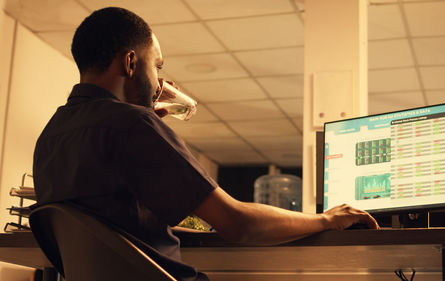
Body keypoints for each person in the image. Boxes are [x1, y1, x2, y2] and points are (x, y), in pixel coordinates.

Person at [33, 7, 379, 281]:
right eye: (157, 66)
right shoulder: (133, 125)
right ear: (130, 62)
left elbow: (111, 220)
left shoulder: (51, 135)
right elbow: (238, 224)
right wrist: (325, 219)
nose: (159, 81)